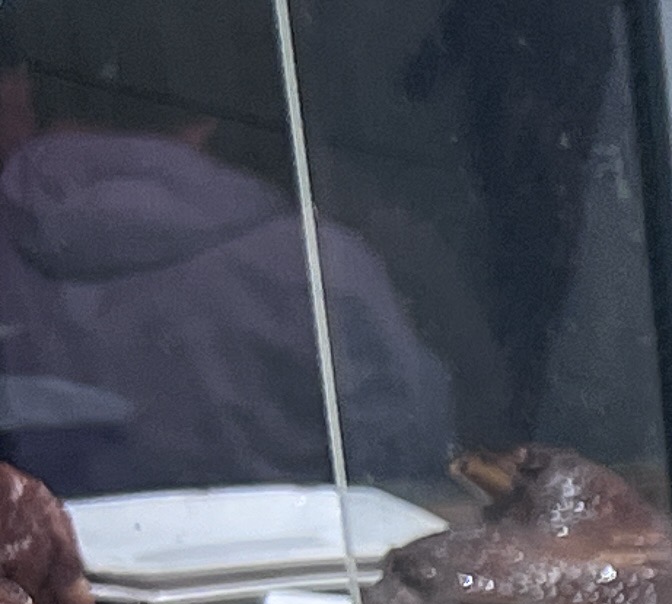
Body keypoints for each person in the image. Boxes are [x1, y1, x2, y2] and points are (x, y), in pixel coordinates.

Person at [0, 34, 450, 494]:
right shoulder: (322, 267)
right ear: (209, 115)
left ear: (31, 93)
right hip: (308, 541)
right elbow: (415, 465)